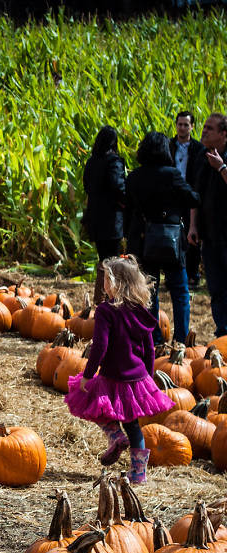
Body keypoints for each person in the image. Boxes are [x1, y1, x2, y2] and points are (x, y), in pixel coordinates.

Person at [65, 256, 174, 484]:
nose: (102, 282)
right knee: (133, 424)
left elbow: (100, 346)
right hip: (137, 376)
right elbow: (149, 348)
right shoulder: (141, 310)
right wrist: (148, 375)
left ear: (115, 283)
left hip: (112, 375)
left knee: (89, 401)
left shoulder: (106, 310)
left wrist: (88, 375)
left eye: (105, 278)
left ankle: (115, 435)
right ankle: (139, 473)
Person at [124, 131, 199, 344]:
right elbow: (193, 198)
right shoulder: (171, 174)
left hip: (143, 240)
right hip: (171, 240)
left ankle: (154, 339)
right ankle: (181, 339)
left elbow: (128, 211)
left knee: (149, 292)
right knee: (180, 292)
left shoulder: (134, 177)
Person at [188, 113, 227, 338]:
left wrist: (221, 167)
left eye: (209, 129)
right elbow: (196, 195)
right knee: (216, 287)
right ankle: (222, 333)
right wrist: (193, 226)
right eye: (203, 127)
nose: (203, 132)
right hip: (211, 235)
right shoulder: (203, 157)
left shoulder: (222, 158)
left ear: (223, 134)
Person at [170, 111, 206, 287]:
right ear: (175, 125)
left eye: (186, 124)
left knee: (193, 236)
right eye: (180, 124)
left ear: (192, 126)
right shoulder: (169, 146)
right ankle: (174, 275)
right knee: (173, 235)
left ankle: (192, 275)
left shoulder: (198, 149)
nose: (182, 127)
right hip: (173, 197)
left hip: (191, 195)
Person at [82, 126, 127, 262]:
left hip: (95, 216)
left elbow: (87, 186)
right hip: (111, 218)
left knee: (103, 259)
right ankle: (110, 284)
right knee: (113, 260)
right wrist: (126, 202)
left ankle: (103, 283)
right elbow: (118, 186)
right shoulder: (114, 161)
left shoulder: (91, 161)